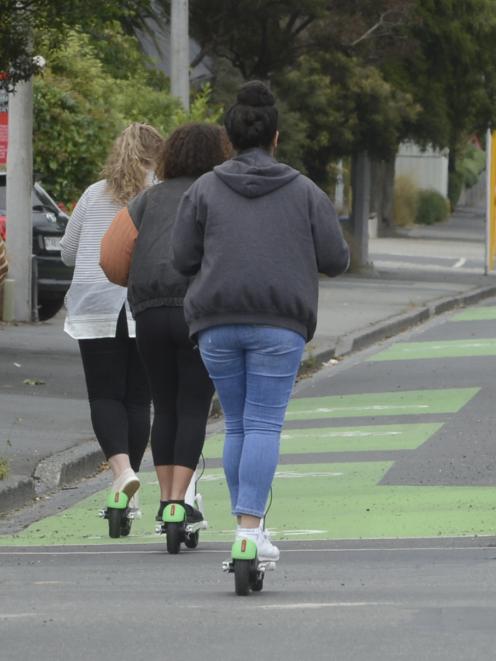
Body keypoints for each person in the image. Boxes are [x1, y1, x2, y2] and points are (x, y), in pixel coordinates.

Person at [172, 81, 350, 561]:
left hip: (215, 322)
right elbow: (336, 258)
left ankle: (247, 528)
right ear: (276, 137)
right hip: (280, 323)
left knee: (237, 425)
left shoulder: (204, 189)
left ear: (228, 138)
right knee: (264, 424)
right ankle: (251, 533)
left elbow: (181, 258)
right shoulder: (306, 191)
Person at [100, 123, 231, 526]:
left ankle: (164, 500)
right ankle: (179, 503)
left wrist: (137, 284)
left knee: (165, 407)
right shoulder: (219, 196)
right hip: (199, 313)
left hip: (151, 313)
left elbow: (110, 256)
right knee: (193, 406)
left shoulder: (146, 200)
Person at [60, 123, 164, 527]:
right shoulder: (159, 194)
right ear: (158, 155)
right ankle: (128, 488)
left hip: (94, 300)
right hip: (142, 301)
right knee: (138, 399)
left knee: (104, 395)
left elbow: (68, 253)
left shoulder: (93, 193)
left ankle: (122, 474)